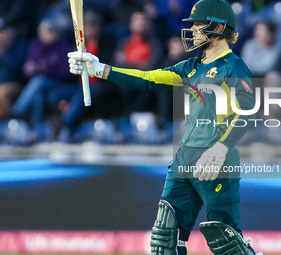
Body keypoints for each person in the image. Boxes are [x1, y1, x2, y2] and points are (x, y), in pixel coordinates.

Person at [68, 0, 262, 254]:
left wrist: (221, 148)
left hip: (216, 161)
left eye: (198, 24)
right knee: (164, 238)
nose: (192, 30)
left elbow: (247, 110)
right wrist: (100, 69)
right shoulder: (190, 66)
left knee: (225, 241)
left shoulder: (233, 67)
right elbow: (148, 79)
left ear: (218, 26)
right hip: (185, 158)